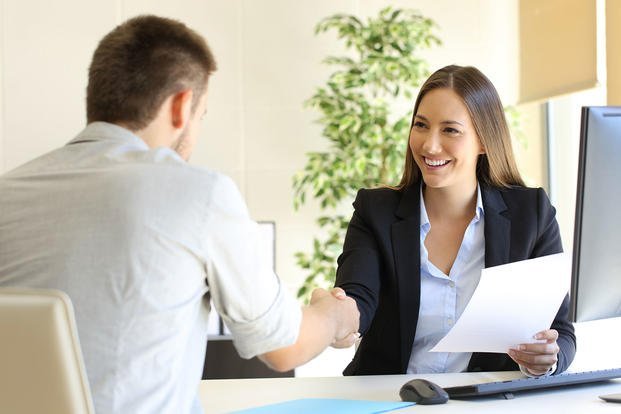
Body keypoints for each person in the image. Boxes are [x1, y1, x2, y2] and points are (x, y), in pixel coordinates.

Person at [0, 15, 359, 414]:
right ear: (182, 105)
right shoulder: (199, 193)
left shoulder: (7, 191)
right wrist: (335, 315)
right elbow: (283, 348)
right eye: (201, 115)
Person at [335, 65, 576, 377]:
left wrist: (549, 359)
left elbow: (561, 331)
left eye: (450, 130)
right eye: (421, 125)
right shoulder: (375, 211)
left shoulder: (531, 215)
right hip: (391, 398)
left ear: (485, 141)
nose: (429, 145)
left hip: (487, 402)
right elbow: (358, 299)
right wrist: (338, 321)